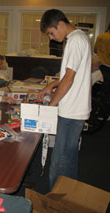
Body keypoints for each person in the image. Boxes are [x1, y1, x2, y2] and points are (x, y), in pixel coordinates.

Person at [38, 9, 91, 190]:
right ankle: (69, 199)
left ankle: (57, 203)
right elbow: (71, 75)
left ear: (60, 24)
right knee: (69, 158)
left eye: (51, 33)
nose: (51, 38)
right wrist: (52, 85)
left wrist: (51, 106)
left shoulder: (75, 40)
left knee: (59, 163)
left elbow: (69, 78)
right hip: (75, 109)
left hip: (71, 111)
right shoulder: (79, 38)